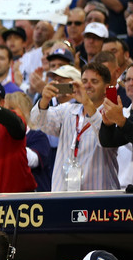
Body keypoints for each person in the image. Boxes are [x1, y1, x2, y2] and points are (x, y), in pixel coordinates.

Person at [30, 63, 119, 191]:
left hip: (98, 197)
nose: (88, 85)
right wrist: (44, 100)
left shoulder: (113, 113)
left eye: (94, 81)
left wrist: (87, 103)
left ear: (106, 88)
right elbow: (38, 121)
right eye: (84, 81)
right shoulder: (67, 110)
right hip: (63, 194)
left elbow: (106, 140)